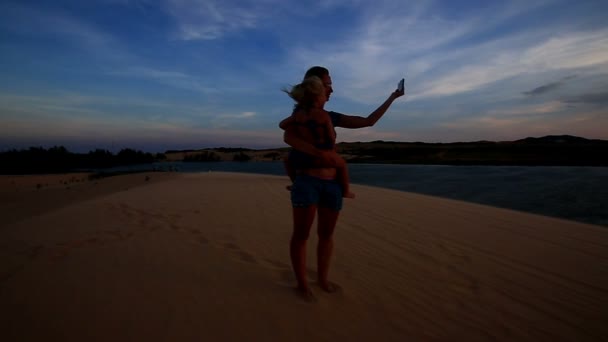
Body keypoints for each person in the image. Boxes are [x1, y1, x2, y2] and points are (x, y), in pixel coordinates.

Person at [282, 66, 405, 301]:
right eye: (328, 84)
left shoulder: (332, 117)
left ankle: (322, 279)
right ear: (314, 86)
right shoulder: (297, 117)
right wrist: (317, 152)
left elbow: (369, 121)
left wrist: (393, 97)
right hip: (306, 181)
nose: (332, 89)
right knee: (301, 235)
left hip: (332, 185)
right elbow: (286, 136)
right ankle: (301, 284)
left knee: (326, 236)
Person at [279, 76, 355, 199]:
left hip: (303, 155)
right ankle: (346, 191)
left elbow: (282, 125)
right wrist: (330, 148)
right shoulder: (324, 115)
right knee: (341, 164)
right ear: (317, 96)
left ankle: (295, 183)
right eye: (323, 94)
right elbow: (330, 136)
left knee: (287, 160)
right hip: (323, 150)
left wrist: (296, 122)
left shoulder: (298, 115)